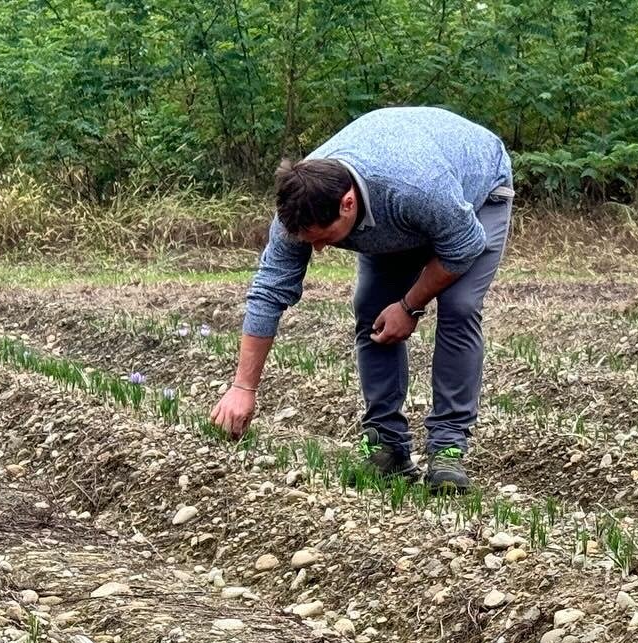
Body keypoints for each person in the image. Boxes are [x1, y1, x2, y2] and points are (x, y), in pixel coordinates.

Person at [210, 106, 513, 493]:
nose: (317, 249)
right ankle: (387, 447)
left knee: (459, 307)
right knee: (371, 308)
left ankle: (447, 449)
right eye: (309, 240)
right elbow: (269, 290)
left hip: (477, 196)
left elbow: (463, 248)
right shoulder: (301, 208)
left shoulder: (416, 187)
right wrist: (243, 387)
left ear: (348, 203)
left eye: (325, 235)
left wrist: (409, 306)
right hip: (400, 214)